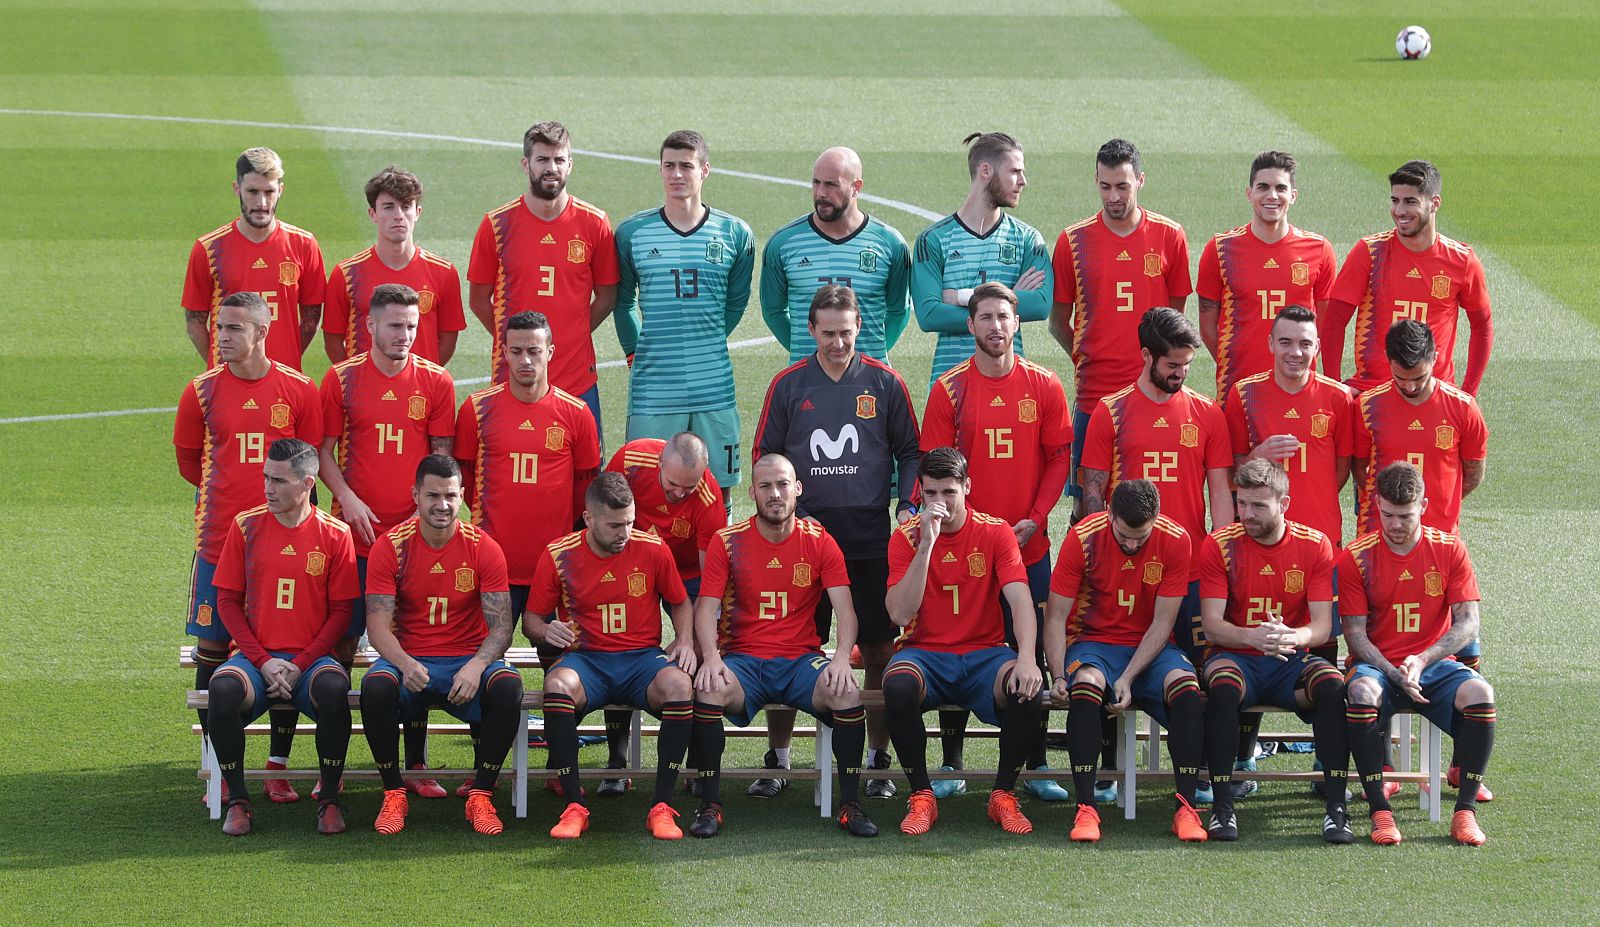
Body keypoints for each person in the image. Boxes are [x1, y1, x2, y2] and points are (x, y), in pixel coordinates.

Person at [752, 285, 920, 799]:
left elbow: (911, 451)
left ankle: (875, 759)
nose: (839, 343)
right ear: (811, 331)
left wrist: (907, 506)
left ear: (859, 328)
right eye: (829, 333)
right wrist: (783, 519)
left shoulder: (885, 383)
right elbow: (765, 456)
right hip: (802, 543)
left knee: (875, 649)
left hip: (869, 542)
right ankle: (778, 758)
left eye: (847, 333)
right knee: (788, 648)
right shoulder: (787, 386)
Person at [920, 282, 1072, 800]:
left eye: (1003, 317)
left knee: (1029, 650)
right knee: (957, 644)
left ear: (1016, 323)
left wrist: (1035, 516)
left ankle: (1035, 764)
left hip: (1028, 545)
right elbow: (935, 468)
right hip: (963, 550)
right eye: (984, 317)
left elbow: (1058, 459)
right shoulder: (950, 389)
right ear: (971, 325)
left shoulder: (1045, 385)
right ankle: (951, 762)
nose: (995, 326)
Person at [174, 291, 322, 803]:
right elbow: (190, 463)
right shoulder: (200, 392)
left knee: (284, 649)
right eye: (220, 326)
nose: (222, 336)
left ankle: (277, 764)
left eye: (234, 328)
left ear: (261, 333)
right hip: (218, 543)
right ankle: (216, 765)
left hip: (285, 546)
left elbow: (309, 469)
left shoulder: (300, 390)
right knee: (212, 651)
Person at [687, 454, 879, 837]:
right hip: (744, 662)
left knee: (846, 694)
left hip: (799, 662)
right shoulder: (727, 542)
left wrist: (842, 658)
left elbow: (847, 610)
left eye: (782, 485)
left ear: (798, 489)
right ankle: (710, 805)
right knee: (707, 689)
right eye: (765, 486)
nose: (775, 494)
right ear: (752, 492)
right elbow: (705, 608)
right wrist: (710, 657)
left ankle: (851, 805)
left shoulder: (820, 542)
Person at [318, 283, 457, 797]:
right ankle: (329, 764)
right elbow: (323, 451)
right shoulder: (341, 380)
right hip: (354, 540)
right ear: (372, 326)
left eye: (412, 326)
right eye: (395, 325)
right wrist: (349, 500)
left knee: (413, 645)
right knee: (341, 643)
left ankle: (415, 767)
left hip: (415, 544)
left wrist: (427, 518)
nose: (405, 335)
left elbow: (441, 460)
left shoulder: (436, 382)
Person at [526, 473, 698, 840]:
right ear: (589, 519)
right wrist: (545, 631)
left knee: (680, 686)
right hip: (587, 661)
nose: (625, 532)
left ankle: (662, 806)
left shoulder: (652, 548)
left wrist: (684, 640)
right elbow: (531, 620)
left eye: (631, 522)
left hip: (641, 661)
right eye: (615, 524)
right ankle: (574, 806)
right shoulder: (559, 554)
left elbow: (680, 601)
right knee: (556, 685)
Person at [882, 447, 1045, 837]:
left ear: (967, 487)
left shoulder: (995, 531)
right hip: (925, 654)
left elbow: (1020, 599)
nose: (939, 503)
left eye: (948, 493)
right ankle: (921, 796)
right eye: (930, 494)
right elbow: (899, 615)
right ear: (919, 492)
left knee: (1028, 689)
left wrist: (1026, 657)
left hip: (984, 655)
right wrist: (926, 544)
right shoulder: (906, 537)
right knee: (898, 685)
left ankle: (1003, 795)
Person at [359, 455, 523, 836]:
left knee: (509, 687)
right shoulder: (392, 546)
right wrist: (403, 662)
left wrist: (477, 664)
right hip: (410, 660)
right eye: (433, 495)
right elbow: (377, 625)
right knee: (376, 686)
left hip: (464, 660)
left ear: (463, 496)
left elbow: (502, 628)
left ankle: (481, 794)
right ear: (415, 495)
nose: (442, 504)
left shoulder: (483, 547)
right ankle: (393, 792)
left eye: (450, 495)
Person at [1042, 479, 1207, 843]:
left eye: (1141, 537)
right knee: (1084, 686)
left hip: (1151, 646)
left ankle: (1186, 808)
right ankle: (1086, 809)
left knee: (1185, 688)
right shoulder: (1083, 538)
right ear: (1109, 514)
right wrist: (1057, 677)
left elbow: (1164, 623)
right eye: (1124, 535)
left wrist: (1129, 677)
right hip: (1093, 643)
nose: (1132, 545)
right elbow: (1055, 617)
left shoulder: (1177, 540)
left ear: (1156, 519)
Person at [1339, 462, 1496, 846]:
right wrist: (1394, 672)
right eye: (1388, 514)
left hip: (1433, 665)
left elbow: (1468, 622)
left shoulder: (1449, 549)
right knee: (1360, 695)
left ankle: (1464, 813)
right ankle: (1380, 813)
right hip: (1378, 668)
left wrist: (1422, 660)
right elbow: (1355, 635)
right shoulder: (1356, 557)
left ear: (1424, 505)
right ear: (1375, 504)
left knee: (1482, 695)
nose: (1395, 524)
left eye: (1405, 516)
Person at [207, 438, 357, 836]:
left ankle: (328, 800)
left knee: (333, 691)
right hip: (257, 662)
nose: (268, 488)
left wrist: (300, 663)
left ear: (308, 484)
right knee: (221, 691)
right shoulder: (246, 526)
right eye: (266, 478)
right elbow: (227, 601)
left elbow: (343, 612)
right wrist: (263, 660)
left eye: (279, 480)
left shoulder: (336, 535)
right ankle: (238, 800)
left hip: (309, 663)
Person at [1196, 459, 1350, 843]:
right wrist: (1253, 638)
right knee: (1223, 688)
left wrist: (1290, 637)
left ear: (1284, 504)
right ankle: (1221, 808)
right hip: (1236, 658)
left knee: (1332, 685)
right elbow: (1212, 625)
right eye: (1242, 503)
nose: (1246, 513)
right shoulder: (1219, 544)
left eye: (1258, 506)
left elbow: (1322, 628)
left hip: (1289, 662)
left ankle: (1336, 808)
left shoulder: (1314, 545)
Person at [1079, 308, 1234, 667]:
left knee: (1200, 676)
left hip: (1192, 567)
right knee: (1114, 667)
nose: (1180, 373)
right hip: (1129, 569)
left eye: (1186, 365)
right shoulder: (1110, 412)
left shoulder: (1208, 413)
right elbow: (1093, 498)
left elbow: (1221, 494)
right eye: (1171, 365)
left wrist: (1222, 555)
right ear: (1147, 355)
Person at [613, 130, 755, 507]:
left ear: (705, 170)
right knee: (645, 492)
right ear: (660, 170)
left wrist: (704, 342)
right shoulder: (632, 233)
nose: (677, 174)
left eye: (686, 166)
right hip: (653, 391)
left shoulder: (735, 234)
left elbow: (736, 302)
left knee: (717, 491)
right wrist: (634, 353)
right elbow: (622, 301)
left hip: (714, 387)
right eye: (669, 166)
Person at [1050, 138, 1192, 511]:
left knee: (1154, 501)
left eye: (1123, 186)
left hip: (1154, 395)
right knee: (1087, 506)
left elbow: (1175, 320)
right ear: (1096, 180)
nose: (1113, 196)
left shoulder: (1169, 236)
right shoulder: (1073, 241)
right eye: (1105, 186)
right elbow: (1058, 322)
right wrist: (1086, 358)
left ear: (1140, 181)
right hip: (1094, 396)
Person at [467, 121, 619, 431]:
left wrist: (573, 332)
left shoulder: (595, 223)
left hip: (577, 378)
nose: (551, 168)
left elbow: (608, 295)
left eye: (559, 159)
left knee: (585, 476)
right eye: (542, 159)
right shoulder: (497, 225)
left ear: (570, 165)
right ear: (526, 164)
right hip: (511, 379)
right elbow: (478, 299)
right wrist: (513, 341)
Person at [599, 432, 725, 793]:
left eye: (689, 486)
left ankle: (698, 763)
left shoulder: (708, 497)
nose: (680, 494)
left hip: (686, 574)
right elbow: (601, 519)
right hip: (631, 564)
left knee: (700, 652)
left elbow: (710, 582)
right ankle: (616, 761)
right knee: (616, 646)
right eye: (672, 485)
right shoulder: (629, 462)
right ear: (659, 465)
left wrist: (690, 641)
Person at [1322, 160, 1493, 396]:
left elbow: (1482, 326)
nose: (1399, 211)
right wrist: (1333, 386)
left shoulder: (1462, 261)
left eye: (1410, 201)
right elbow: (1334, 320)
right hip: (1373, 391)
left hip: (1434, 393)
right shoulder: (1369, 252)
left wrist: (1468, 393)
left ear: (1435, 203)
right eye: (1395, 200)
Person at [911, 132, 1052, 385]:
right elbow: (929, 314)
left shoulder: (1028, 239)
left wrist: (960, 297)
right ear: (986, 170)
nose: (1023, 181)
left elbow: (1040, 305)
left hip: (1011, 387)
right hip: (951, 386)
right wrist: (1010, 300)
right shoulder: (932, 240)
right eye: (1015, 171)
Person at [1195, 151, 1337, 402]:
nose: (1272, 196)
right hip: (1238, 388)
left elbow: (1325, 325)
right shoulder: (1220, 249)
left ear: (1293, 196)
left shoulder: (1319, 249)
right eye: (1263, 187)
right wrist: (1232, 362)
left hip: (1298, 388)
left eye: (1281, 188)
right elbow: (1207, 325)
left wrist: (1295, 365)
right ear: (1249, 193)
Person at [760, 147, 912, 362]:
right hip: (807, 382)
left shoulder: (890, 243)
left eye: (831, 184)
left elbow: (899, 311)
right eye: (816, 182)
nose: (821, 192)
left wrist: (865, 358)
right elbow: (773, 312)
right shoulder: (783, 243)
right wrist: (810, 355)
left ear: (856, 187)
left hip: (870, 384)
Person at [182, 147, 325, 371]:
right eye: (252, 191)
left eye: (269, 192)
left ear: (281, 190)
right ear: (236, 189)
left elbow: (311, 320)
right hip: (227, 382)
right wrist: (222, 365)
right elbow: (194, 324)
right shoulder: (208, 249)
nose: (261, 203)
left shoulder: (304, 245)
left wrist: (285, 359)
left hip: (285, 381)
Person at [1226, 305, 1355, 547]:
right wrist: (1258, 455)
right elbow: (1230, 474)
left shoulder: (1338, 396)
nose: (1295, 352)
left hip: (1322, 533)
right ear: (1271, 344)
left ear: (1316, 347)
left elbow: (1342, 468)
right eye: (1285, 342)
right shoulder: (1244, 394)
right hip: (1263, 536)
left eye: (1305, 344)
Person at [1353, 320, 1487, 539]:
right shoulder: (1368, 406)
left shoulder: (1463, 409)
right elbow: (1359, 469)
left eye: (1419, 378)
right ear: (1389, 360)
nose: (1410, 387)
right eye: (1401, 378)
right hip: (1379, 537)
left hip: (1439, 537)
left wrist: (1441, 505)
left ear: (1435, 358)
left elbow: (1473, 474)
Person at [324, 166, 465, 364]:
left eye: (406, 206)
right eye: (388, 207)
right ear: (372, 213)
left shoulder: (444, 272)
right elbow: (332, 340)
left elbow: (449, 338)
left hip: (420, 392)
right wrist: (355, 378)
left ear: (417, 212)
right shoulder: (346, 274)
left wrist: (424, 379)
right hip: (364, 391)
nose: (399, 215)